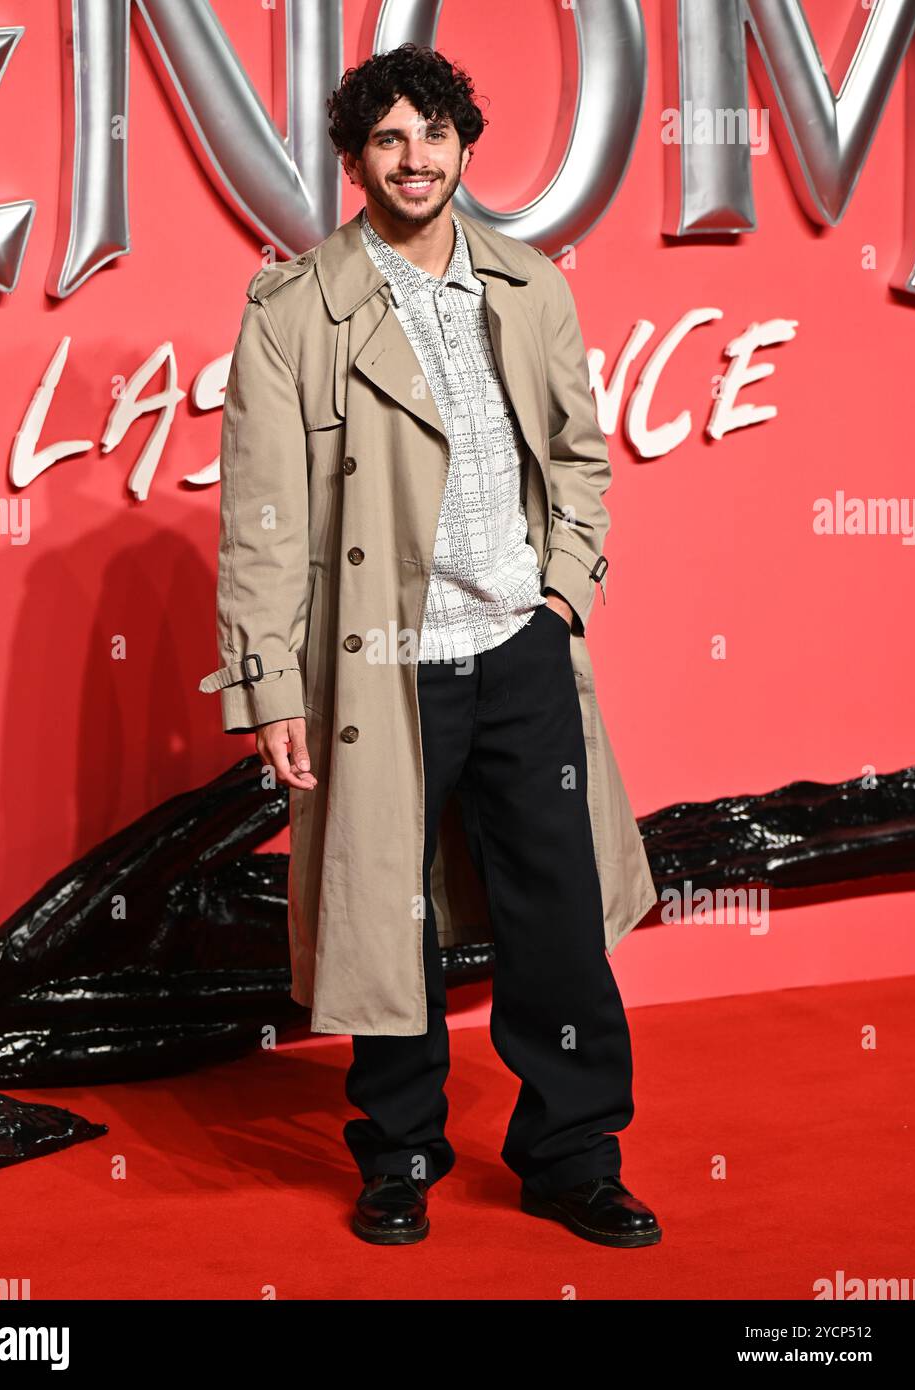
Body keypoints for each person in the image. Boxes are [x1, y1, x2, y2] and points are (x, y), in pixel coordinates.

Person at [200, 43, 660, 1248]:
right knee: (382, 912)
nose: (415, 159)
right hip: (376, 664)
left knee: (555, 918)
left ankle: (571, 1153)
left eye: (434, 134)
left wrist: (563, 592)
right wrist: (265, 682)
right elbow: (260, 514)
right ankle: (398, 1150)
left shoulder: (528, 285)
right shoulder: (293, 311)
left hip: (516, 646)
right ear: (354, 160)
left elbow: (576, 455)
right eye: (388, 139)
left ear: (463, 146)